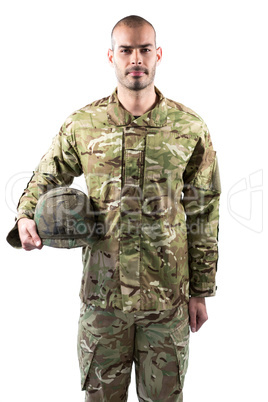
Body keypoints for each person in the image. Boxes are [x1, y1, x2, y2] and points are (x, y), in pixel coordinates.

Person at [8, 15, 221, 402]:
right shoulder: (83, 125)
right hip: (103, 302)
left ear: (157, 55)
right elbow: (46, 175)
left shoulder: (189, 128)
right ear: (112, 56)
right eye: (126, 50)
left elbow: (204, 211)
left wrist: (201, 290)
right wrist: (25, 215)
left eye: (143, 50)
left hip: (167, 301)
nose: (135, 58)